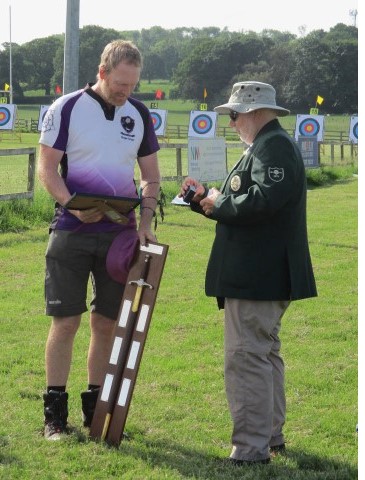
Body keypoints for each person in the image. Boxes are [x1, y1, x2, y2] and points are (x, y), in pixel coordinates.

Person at [180, 81, 317, 465]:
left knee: (246, 358)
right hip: (262, 273)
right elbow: (247, 199)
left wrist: (217, 201)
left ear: (255, 112)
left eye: (234, 115)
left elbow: (262, 202)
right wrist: (206, 199)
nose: (232, 122)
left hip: (259, 275)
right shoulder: (266, 145)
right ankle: (269, 436)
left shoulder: (272, 145)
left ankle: (251, 449)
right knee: (263, 355)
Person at [38, 40, 161, 440]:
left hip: (119, 237)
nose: (126, 91)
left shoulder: (139, 113)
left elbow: (151, 177)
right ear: (103, 72)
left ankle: (98, 411)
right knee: (66, 322)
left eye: (133, 84)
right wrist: (71, 205)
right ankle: (54, 416)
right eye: (121, 82)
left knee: (106, 323)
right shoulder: (67, 107)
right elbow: (47, 170)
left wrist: (144, 220)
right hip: (71, 231)